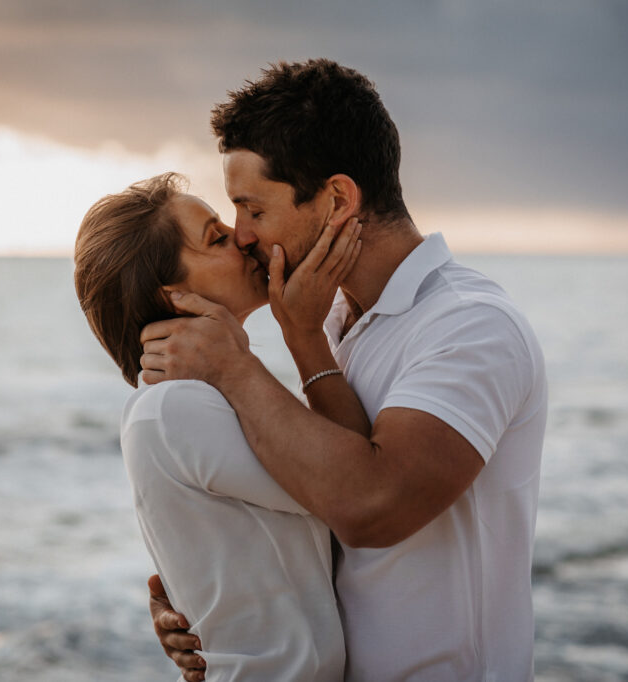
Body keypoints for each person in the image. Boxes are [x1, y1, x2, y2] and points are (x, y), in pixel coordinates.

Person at [140, 59, 548, 681]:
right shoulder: (328, 323)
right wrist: (211, 595)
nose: (243, 235)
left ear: (336, 200)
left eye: (252, 208)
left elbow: (371, 508)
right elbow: (315, 505)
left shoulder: (470, 327)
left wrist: (238, 367)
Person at [73, 171, 367, 681]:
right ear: (173, 297)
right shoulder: (177, 408)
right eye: (216, 237)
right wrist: (300, 332)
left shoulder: (205, 398)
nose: (243, 237)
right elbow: (350, 487)